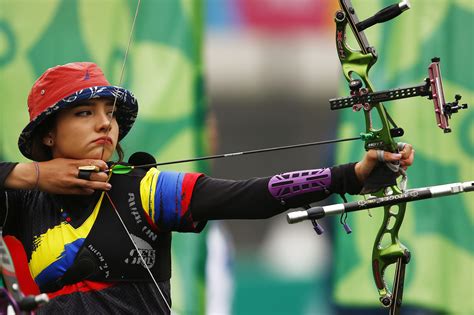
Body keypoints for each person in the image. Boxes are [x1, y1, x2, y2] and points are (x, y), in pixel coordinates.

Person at [0, 62, 414, 314]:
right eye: (85, 113)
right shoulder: (24, 203)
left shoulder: (142, 188)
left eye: (109, 113)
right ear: (48, 135)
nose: (105, 123)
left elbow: (251, 195)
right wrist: (32, 176)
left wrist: (351, 175)